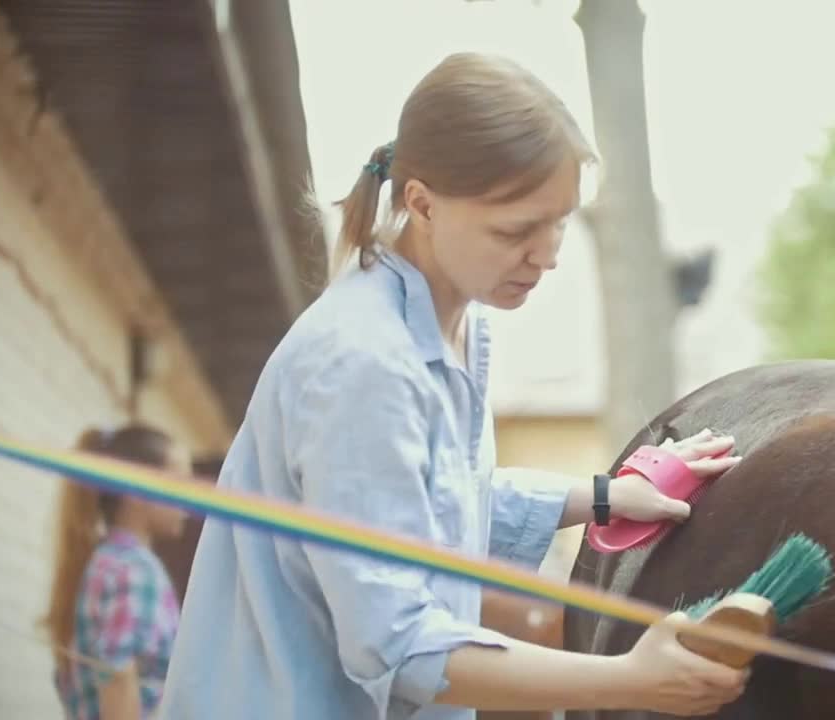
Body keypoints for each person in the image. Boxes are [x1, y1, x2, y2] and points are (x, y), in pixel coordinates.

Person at [158, 52, 747, 719]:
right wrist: (631, 680)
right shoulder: (362, 364)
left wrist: (606, 497)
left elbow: (436, 505)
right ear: (422, 204)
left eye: (558, 223)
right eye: (517, 229)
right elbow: (400, 647)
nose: (549, 255)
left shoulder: (458, 328)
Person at [42, 423, 193, 720]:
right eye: (179, 482)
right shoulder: (132, 571)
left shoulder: (105, 564)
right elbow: (119, 682)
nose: (189, 499)